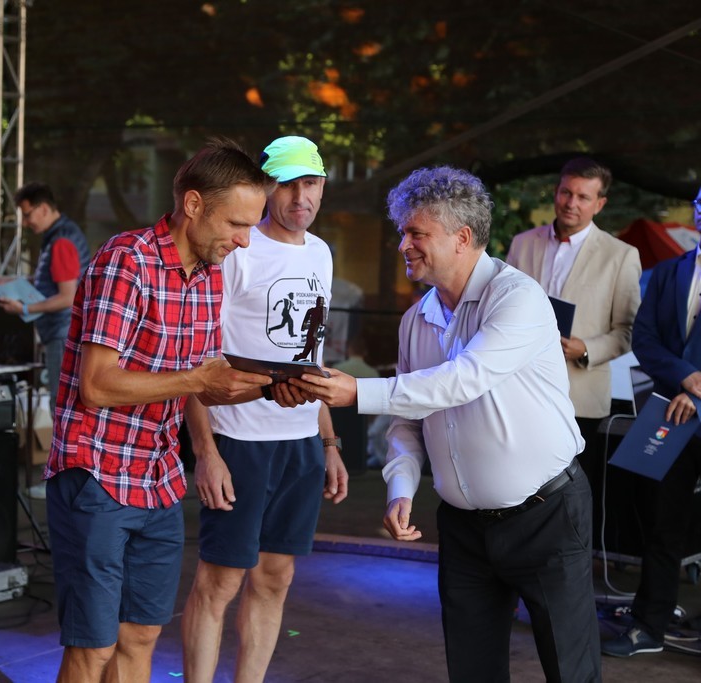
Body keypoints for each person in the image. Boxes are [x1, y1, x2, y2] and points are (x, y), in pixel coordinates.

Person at [293, 166, 600, 681]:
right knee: (472, 672)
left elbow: (462, 380)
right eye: (402, 232)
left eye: (416, 233)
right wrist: (401, 488)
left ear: (462, 237)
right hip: (462, 528)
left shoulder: (518, 297)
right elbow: (408, 421)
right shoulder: (416, 319)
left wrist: (358, 391)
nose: (403, 245)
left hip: (547, 516)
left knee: (571, 672)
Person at [44, 139, 277, 683]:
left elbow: (202, 385)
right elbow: (96, 386)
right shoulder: (126, 260)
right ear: (193, 204)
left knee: (142, 636)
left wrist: (272, 389)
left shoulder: (210, 274)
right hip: (96, 474)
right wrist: (198, 379)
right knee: (93, 648)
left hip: (160, 478)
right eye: (237, 224)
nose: (245, 240)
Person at [180, 135, 348, 683]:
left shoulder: (321, 252)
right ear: (266, 188)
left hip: (299, 443)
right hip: (238, 440)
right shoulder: (237, 249)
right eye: (288, 184)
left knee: (276, 578)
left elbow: (311, 359)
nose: (302, 197)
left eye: (312, 183)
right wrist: (206, 453)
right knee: (220, 582)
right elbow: (196, 361)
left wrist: (328, 442)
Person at [602, 186, 701, 657]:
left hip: (689, 406)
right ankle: (648, 628)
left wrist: (697, 395)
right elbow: (644, 338)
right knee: (660, 526)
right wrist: (685, 378)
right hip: (667, 413)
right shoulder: (667, 273)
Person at [507, 156, 641, 466]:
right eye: (566, 192)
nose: (571, 203)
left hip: (580, 397)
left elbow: (629, 330)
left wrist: (586, 348)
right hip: (519, 391)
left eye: (583, 197)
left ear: (600, 204)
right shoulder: (522, 244)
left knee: (576, 489)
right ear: (556, 192)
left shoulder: (621, 256)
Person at [0, 182, 91, 410]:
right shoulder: (59, 236)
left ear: (44, 209)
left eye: (28, 215)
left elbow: (67, 297)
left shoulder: (61, 241)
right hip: (63, 333)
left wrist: (23, 309)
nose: (25, 222)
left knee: (62, 405)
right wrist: (21, 282)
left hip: (62, 335)